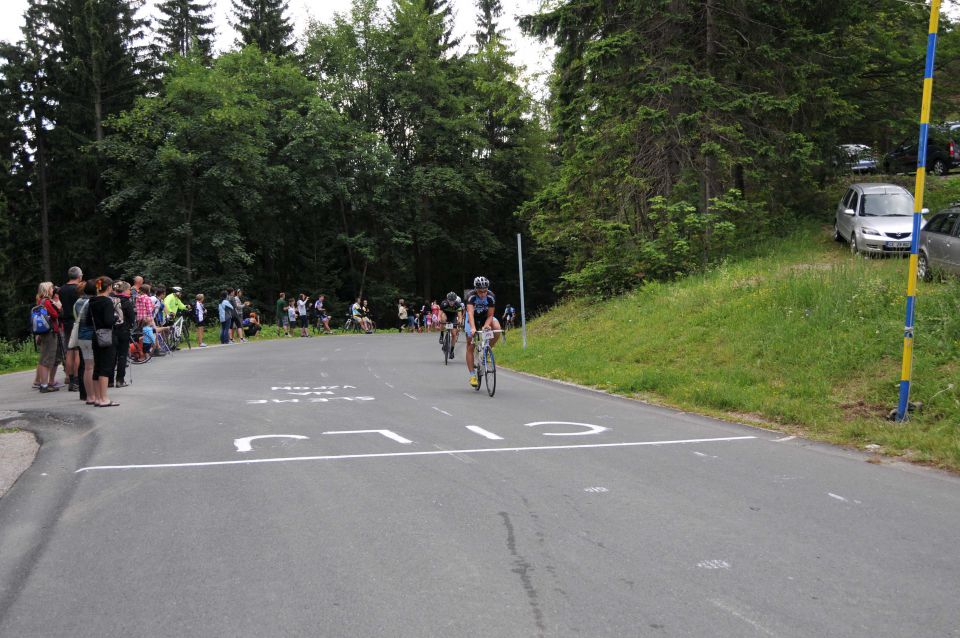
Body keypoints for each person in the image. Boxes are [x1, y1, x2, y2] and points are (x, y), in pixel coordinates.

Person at [464, 276, 501, 389]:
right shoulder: (471, 296)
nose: (483, 294)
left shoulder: (491, 297)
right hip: (472, 319)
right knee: (471, 344)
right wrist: (473, 328)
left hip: (485, 317)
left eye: (485, 291)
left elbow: (490, 315)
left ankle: (487, 348)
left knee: (497, 327)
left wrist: (486, 325)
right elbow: (470, 314)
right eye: (480, 291)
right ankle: (472, 375)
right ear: (476, 289)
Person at [89, 277, 118, 407]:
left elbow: (88, 321)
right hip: (106, 336)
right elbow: (108, 321)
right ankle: (104, 398)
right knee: (106, 367)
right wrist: (115, 317)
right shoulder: (107, 301)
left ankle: (97, 398)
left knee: (98, 366)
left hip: (96, 335)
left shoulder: (92, 301)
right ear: (109, 287)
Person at [33, 282, 63, 393]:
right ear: (47, 290)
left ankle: (43, 383)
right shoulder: (47, 302)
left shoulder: (40, 301)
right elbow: (55, 315)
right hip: (50, 332)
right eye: (51, 288)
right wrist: (58, 307)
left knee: (43, 358)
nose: (52, 290)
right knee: (47, 359)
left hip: (44, 332)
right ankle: (45, 385)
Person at [59, 266, 83, 391]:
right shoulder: (78, 289)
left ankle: (69, 377)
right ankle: (77, 379)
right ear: (79, 276)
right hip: (77, 321)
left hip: (66, 321)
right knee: (78, 351)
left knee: (69, 350)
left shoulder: (61, 289)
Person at [109, 281, 135, 388]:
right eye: (129, 290)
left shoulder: (110, 300)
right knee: (122, 355)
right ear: (124, 290)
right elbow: (132, 318)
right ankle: (120, 380)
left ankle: (109, 380)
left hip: (112, 331)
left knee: (111, 356)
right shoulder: (127, 302)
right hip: (124, 331)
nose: (130, 292)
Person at [74, 281, 96, 402]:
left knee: (87, 367)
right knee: (93, 366)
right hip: (91, 335)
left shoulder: (77, 302)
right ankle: (93, 395)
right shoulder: (91, 302)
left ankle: (88, 396)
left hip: (81, 336)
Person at [439, 291, 464, 360]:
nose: (451, 302)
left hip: (453, 317)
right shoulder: (444, 303)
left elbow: (460, 316)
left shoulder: (458, 305)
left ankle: (452, 351)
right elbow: (440, 313)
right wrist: (439, 319)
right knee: (442, 319)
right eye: (450, 301)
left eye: (453, 301)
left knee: (454, 334)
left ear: (455, 300)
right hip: (445, 315)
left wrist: (459, 321)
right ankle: (441, 335)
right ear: (447, 299)